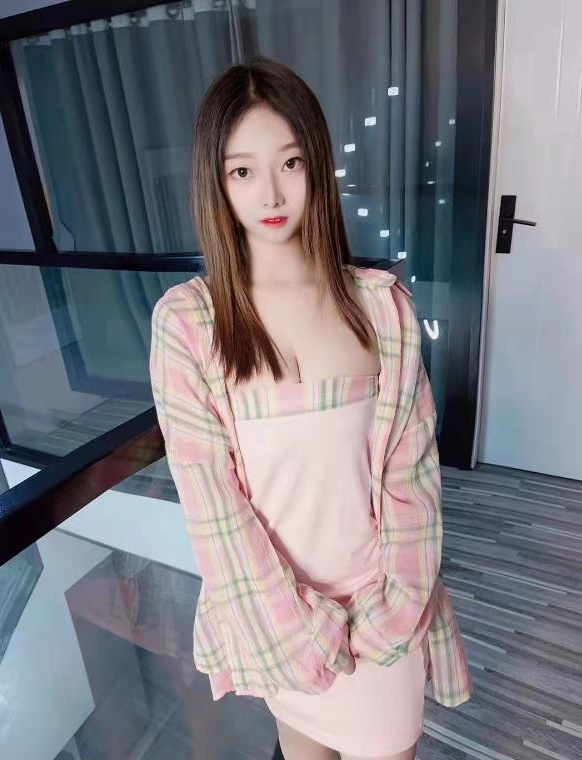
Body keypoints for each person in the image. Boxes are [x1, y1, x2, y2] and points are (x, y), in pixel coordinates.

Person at [150, 55, 472, 760]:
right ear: (215, 182)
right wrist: (297, 631)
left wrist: (391, 617)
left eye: (290, 163)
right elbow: (212, 505)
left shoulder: (379, 307)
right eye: (242, 171)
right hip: (277, 625)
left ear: (317, 165)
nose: (270, 192)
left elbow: (413, 476)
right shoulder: (189, 323)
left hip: (380, 622)